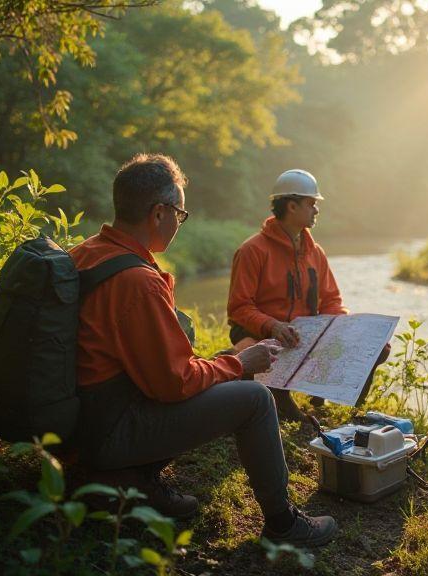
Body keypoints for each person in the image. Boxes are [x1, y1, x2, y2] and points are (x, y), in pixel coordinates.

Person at [69, 154, 336, 547]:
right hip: (108, 430)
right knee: (255, 399)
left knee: (223, 373)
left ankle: (132, 481)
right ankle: (283, 524)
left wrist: (221, 363)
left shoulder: (89, 252)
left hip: (81, 419)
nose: (180, 222)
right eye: (180, 213)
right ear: (159, 213)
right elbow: (174, 384)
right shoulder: (137, 282)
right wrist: (239, 362)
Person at [227, 169, 390, 421]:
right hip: (259, 334)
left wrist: (346, 327)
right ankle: (280, 399)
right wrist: (273, 325)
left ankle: (354, 412)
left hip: (303, 335)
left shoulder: (316, 252)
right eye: (311, 203)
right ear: (292, 206)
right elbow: (238, 308)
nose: (316, 210)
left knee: (379, 347)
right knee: (261, 356)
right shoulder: (252, 251)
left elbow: (332, 301)